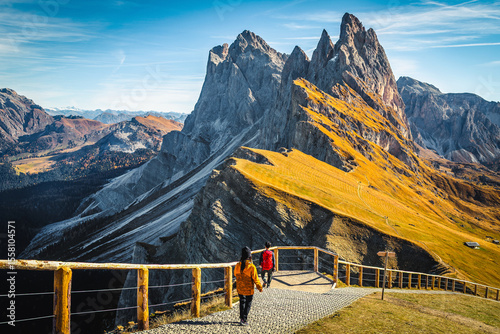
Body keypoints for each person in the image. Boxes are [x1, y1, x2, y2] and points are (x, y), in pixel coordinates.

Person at [234, 246, 263, 326]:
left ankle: (241, 317)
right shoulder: (251, 267)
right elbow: (255, 279)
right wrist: (259, 287)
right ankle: (244, 319)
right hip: (249, 289)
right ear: (250, 256)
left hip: (240, 288)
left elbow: (235, 274)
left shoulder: (237, 265)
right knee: (248, 303)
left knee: (242, 301)